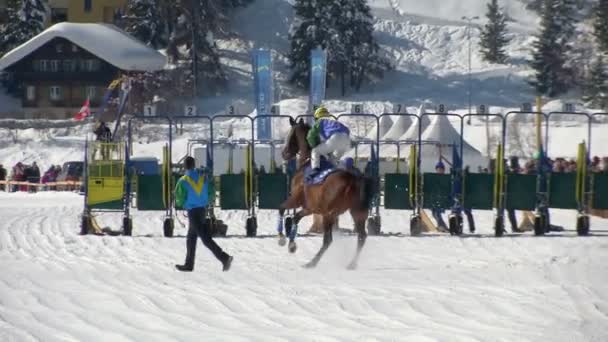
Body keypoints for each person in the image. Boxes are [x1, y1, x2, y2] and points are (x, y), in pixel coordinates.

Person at [175, 156, 233, 272]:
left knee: (205, 238)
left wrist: (184, 204)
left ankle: (224, 257)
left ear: (185, 166)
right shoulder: (203, 178)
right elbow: (211, 193)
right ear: (194, 165)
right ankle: (189, 265)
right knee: (191, 238)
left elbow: (179, 198)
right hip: (202, 210)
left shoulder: (183, 180)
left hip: (192, 211)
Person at [306, 106, 351, 172]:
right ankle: (334, 173)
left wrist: (314, 145)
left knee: (315, 151)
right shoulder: (334, 121)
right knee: (332, 160)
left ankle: (315, 171)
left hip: (336, 137)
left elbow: (310, 136)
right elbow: (347, 130)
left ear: (317, 117)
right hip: (346, 140)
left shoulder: (320, 121)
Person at [432, 161, 448, 230]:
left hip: (444, 198)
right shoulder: (434, 178)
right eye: (438, 169)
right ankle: (442, 226)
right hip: (436, 198)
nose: (439, 170)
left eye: (441, 169)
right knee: (435, 213)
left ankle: (442, 226)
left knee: (437, 212)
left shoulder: (446, 178)